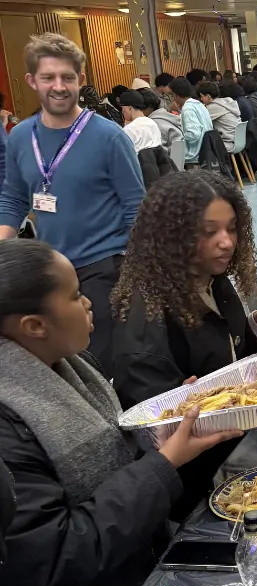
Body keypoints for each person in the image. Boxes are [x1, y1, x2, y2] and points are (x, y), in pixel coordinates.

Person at [0, 238, 243, 586]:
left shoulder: (72, 365)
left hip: (147, 549)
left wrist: (163, 424)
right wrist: (165, 461)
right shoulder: (10, 424)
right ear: (35, 326)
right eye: (74, 295)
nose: (88, 303)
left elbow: (115, 448)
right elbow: (54, 560)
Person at [0, 33, 145, 374]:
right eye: (48, 77)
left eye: (67, 77)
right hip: (48, 271)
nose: (59, 86)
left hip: (104, 267)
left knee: (102, 364)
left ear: (80, 80)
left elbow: (136, 210)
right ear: (32, 81)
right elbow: (14, 197)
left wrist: (137, 279)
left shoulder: (109, 136)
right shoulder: (21, 136)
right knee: (63, 366)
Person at [111, 170, 257, 409]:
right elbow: (154, 419)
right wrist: (184, 404)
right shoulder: (148, 320)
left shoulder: (214, 280)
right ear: (173, 236)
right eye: (209, 231)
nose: (227, 242)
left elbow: (229, 361)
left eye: (232, 228)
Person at [170, 76, 212, 166]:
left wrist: (180, 137)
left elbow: (193, 136)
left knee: (168, 152)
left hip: (194, 154)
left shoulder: (188, 108)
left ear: (176, 95)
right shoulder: (198, 104)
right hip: (206, 149)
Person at [198, 81, 241, 153]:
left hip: (228, 142)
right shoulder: (227, 102)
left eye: (202, 96)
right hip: (239, 140)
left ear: (208, 96)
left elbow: (198, 120)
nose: (201, 99)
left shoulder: (213, 107)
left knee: (201, 145)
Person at [140, 88, 183, 155]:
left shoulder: (155, 123)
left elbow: (157, 151)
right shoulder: (166, 116)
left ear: (149, 107)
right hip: (177, 158)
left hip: (169, 161)